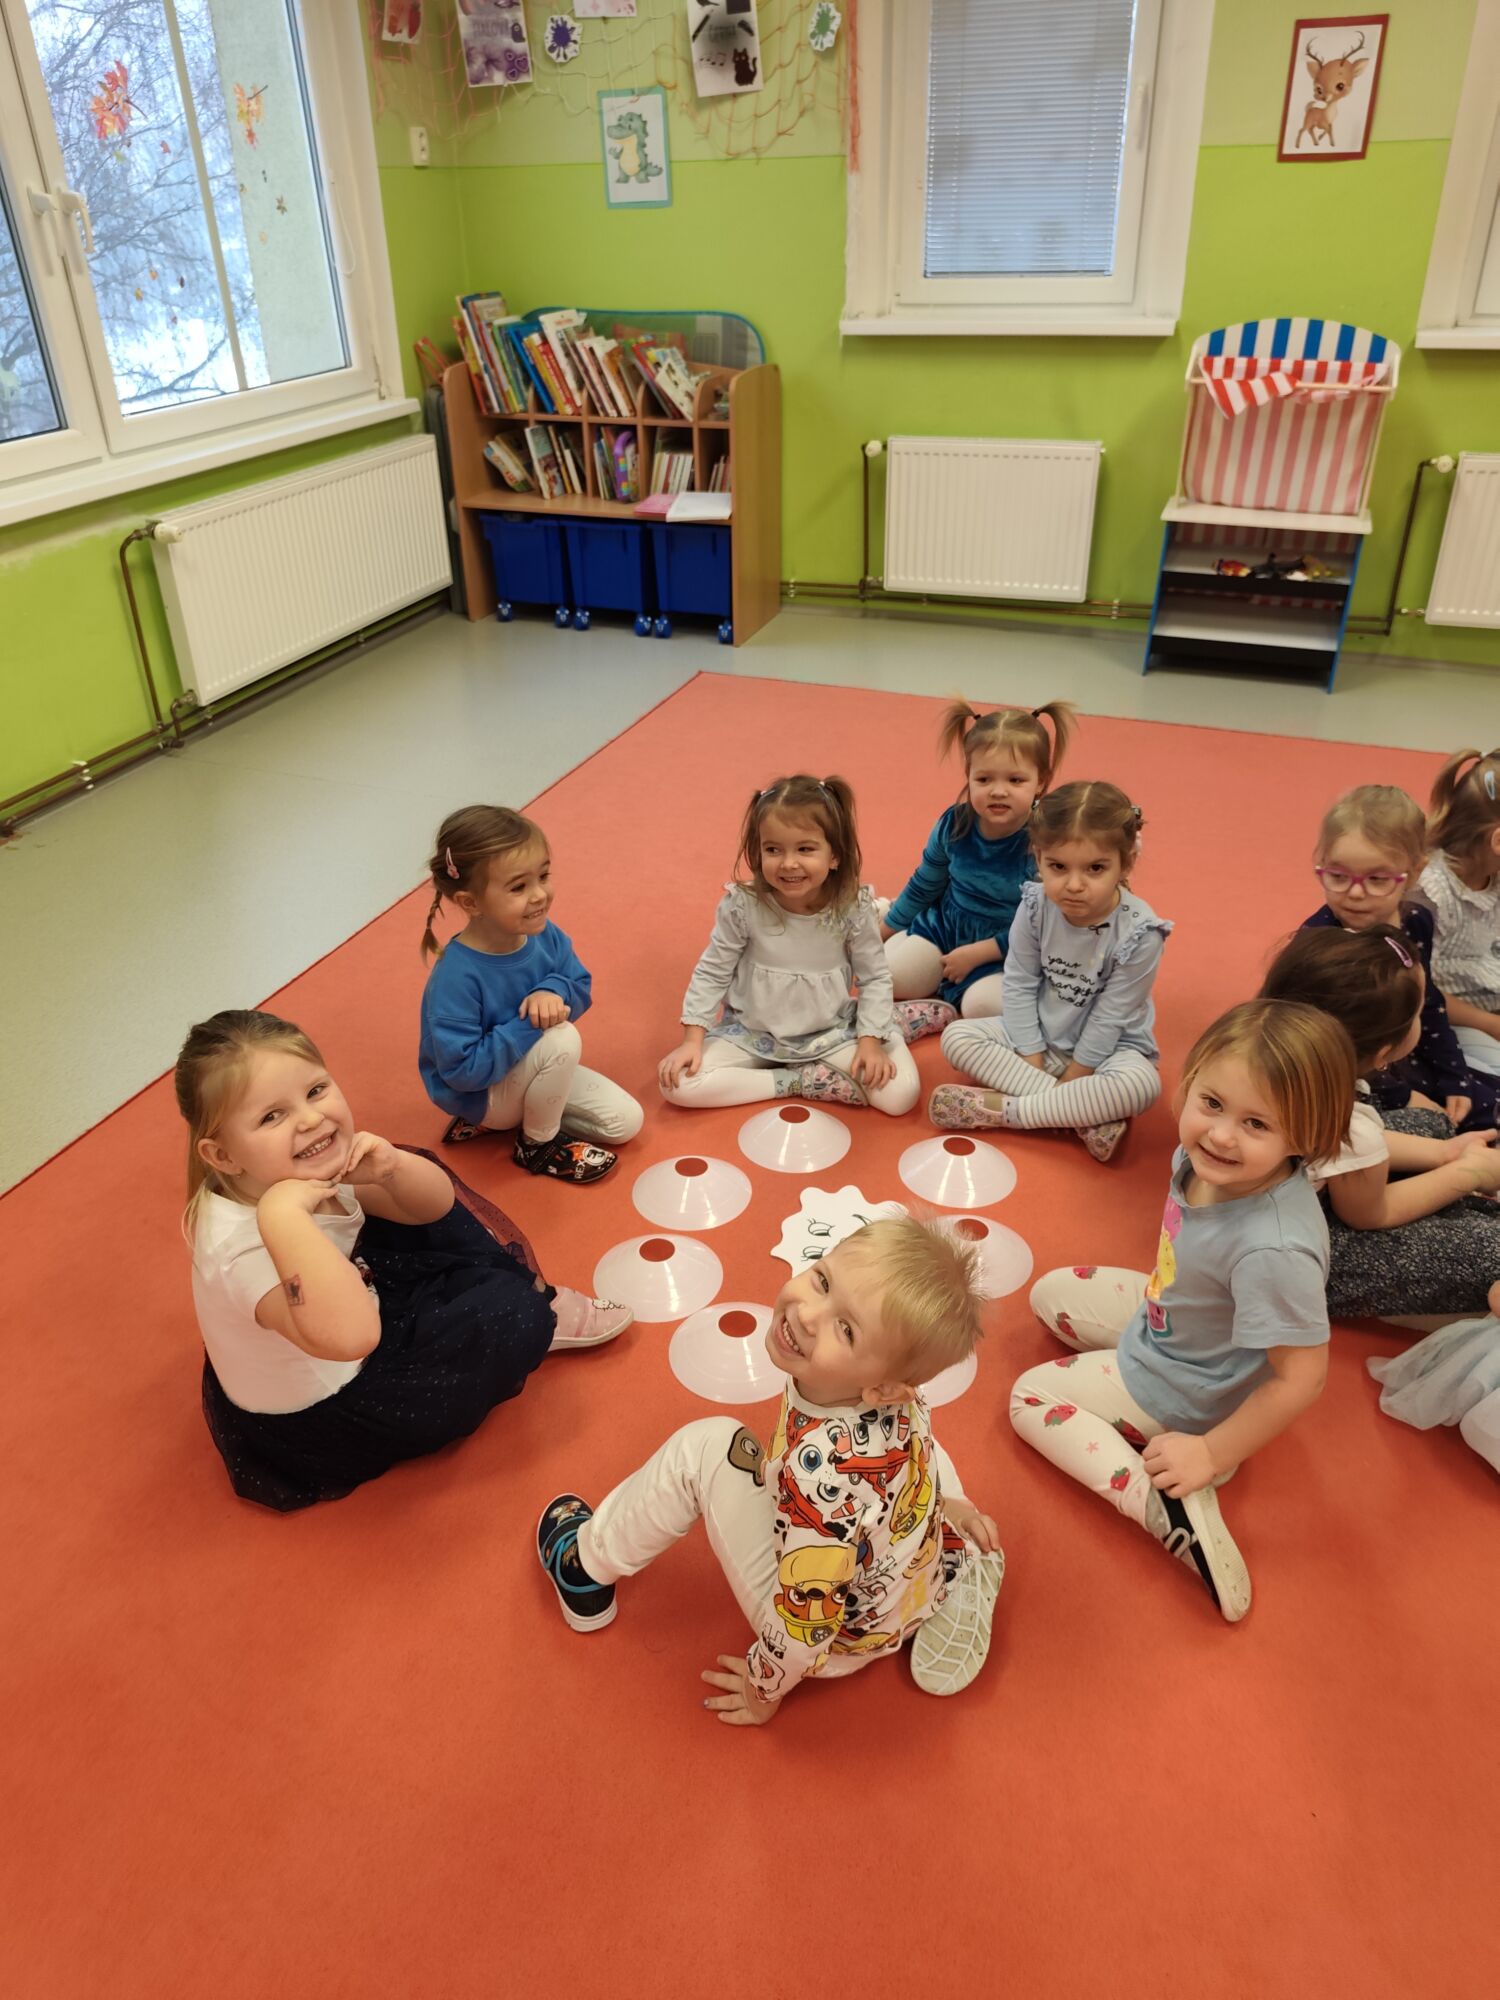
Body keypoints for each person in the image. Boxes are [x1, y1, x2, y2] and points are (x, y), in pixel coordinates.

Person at [534, 1219, 1006, 1717]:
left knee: (706, 1445)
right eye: (822, 1280)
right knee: (904, 1458)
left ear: (883, 1390)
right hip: (906, 1584)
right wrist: (953, 1503)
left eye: (846, 1329)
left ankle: (585, 1566)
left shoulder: (819, 1483)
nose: (807, 1314)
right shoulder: (903, 1397)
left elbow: (806, 1626)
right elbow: (920, 1453)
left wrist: (762, 1692)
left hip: (834, 1642)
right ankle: (959, 1555)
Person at [178, 1010, 631, 1511]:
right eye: (271, 1117)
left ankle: (530, 1294)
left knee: (403, 1176)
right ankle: (539, 1311)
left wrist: (391, 1169)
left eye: (315, 1091)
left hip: (347, 1298)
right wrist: (283, 1218)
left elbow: (434, 1207)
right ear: (223, 1157)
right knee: (513, 1316)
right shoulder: (243, 1250)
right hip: (337, 1399)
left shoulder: (283, 1168)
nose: (309, 1120)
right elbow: (352, 1337)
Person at [1012, 1000, 1355, 1622]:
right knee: (1049, 1296)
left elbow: (1303, 1378)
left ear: (1305, 1138)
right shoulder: (1202, 1162)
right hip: (1170, 1317)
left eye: (1257, 1124)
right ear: (1190, 1081)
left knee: (1029, 1397)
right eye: (1213, 1103)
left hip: (1190, 1390)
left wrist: (1212, 1453)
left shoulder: (1274, 1251)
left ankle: (1161, 1502)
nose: (1221, 1134)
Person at [1259, 926, 1500, 1321]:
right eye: (1419, 1013)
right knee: (1492, 1248)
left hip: (1284, 1201)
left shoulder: (1278, 1064)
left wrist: (1444, 1153)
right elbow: (1370, 1214)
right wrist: (1467, 1174)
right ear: (1384, 1051)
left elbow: (1354, 1145)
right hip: (1300, 1259)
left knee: (1430, 1125)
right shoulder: (1348, 1124)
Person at [931, 781, 1171, 1162]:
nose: (1074, 885)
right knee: (957, 1037)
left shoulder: (1142, 933)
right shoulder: (1035, 906)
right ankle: (1079, 1118)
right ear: (1038, 857)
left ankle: (1009, 1112)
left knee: (1141, 1086)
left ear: (1126, 864)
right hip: (1041, 1038)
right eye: (1057, 867)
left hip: (1108, 1053)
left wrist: (1077, 1074)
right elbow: (1019, 982)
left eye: (1095, 868)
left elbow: (1111, 1016)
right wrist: (1032, 1055)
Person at [658, 774, 919, 1113]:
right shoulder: (743, 906)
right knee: (679, 1084)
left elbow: (874, 977)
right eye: (773, 850)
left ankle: (892, 1026)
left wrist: (870, 1043)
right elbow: (712, 972)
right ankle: (799, 1081)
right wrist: (692, 1042)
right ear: (758, 852)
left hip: (830, 1033)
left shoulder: (852, 908)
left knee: (901, 1096)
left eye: (805, 849)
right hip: (752, 1035)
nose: (789, 863)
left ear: (835, 856)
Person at [418, 805, 642, 1184]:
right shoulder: (456, 977)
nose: (539, 895)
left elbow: (578, 982)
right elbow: (461, 1073)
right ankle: (536, 1144)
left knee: (625, 1122)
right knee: (562, 1037)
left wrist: (552, 989)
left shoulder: (543, 933)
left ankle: (532, 1116)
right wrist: (533, 1023)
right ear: (471, 903)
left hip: (533, 1068)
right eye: (519, 887)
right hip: (483, 1094)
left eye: (543, 876)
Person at [1301, 783, 1495, 1135]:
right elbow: (1321, 1049)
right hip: (1349, 1081)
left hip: (1405, 1051)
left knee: (1485, 1100)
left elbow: (1429, 1005)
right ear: (1321, 862)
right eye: (1338, 876)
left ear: (1414, 873)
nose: (1355, 893)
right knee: (1445, 1127)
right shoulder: (1322, 944)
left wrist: (1454, 1077)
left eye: (1377, 879)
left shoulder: (1416, 922)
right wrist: (1404, 1096)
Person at [881, 698, 1077, 1022]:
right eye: (984, 779)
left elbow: (1047, 924)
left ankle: (957, 991)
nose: (998, 791)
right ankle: (887, 913)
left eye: (1015, 780)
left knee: (980, 1008)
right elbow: (925, 884)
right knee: (890, 978)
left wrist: (978, 954)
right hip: (946, 926)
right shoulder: (954, 823)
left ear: (1041, 781)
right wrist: (883, 931)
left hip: (1010, 945)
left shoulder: (1046, 843)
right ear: (969, 775)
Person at [1413, 748, 1500, 1083]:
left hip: (1486, 991)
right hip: (1449, 1018)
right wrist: (1492, 1025)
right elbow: (1422, 993)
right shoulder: (1431, 892)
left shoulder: (1491, 874)